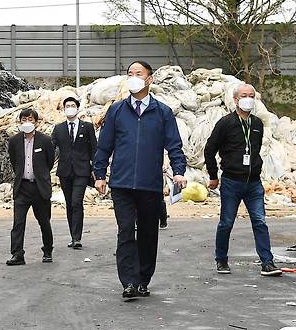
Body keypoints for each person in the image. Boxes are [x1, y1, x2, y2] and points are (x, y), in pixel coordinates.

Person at [94, 60, 187, 299]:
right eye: (129, 73)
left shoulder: (162, 112)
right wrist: (100, 174)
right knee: (125, 231)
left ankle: (143, 278)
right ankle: (129, 282)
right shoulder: (116, 110)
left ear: (149, 79)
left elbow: (174, 146)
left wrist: (178, 171)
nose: (133, 77)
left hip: (150, 184)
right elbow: (104, 145)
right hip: (122, 183)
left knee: (147, 233)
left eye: (139, 73)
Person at [204, 83, 282, 277]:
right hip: (231, 181)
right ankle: (221, 259)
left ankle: (267, 262)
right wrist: (213, 176)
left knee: (260, 221)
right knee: (226, 222)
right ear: (236, 99)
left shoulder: (257, 124)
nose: (248, 98)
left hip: (253, 182)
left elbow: (255, 149)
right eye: (244, 95)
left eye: (252, 95)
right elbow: (210, 149)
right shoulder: (225, 123)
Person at [7, 108, 55, 265]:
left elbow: (49, 162)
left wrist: (41, 176)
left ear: (36, 122)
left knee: (44, 221)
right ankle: (17, 253)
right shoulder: (14, 141)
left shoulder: (45, 140)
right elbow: (15, 162)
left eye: (30, 119)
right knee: (18, 222)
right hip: (22, 187)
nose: (27, 122)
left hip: (39, 188)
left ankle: (47, 250)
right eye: (23, 119)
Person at [52, 96, 97, 249]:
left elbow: (94, 150)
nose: (70, 108)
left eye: (72, 105)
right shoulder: (58, 128)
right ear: (63, 109)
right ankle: (73, 236)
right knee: (70, 204)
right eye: (67, 106)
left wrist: (96, 170)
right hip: (65, 171)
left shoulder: (87, 127)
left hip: (82, 171)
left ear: (78, 108)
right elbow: (52, 149)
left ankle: (77, 238)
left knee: (77, 202)